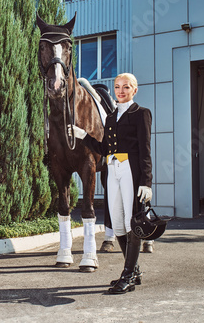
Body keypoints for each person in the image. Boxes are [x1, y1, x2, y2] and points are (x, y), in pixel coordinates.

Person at [68, 72, 152, 294]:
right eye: (117, 87)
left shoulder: (141, 114)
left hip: (130, 170)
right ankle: (133, 270)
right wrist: (83, 135)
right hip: (112, 170)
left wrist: (146, 182)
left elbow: (145, 151)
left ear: (135, 89)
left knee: (131, 220)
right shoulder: (112, 118)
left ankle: (128, 274)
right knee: (117, 221)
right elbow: (104, 150)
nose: (121, 91)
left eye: (126, 87)